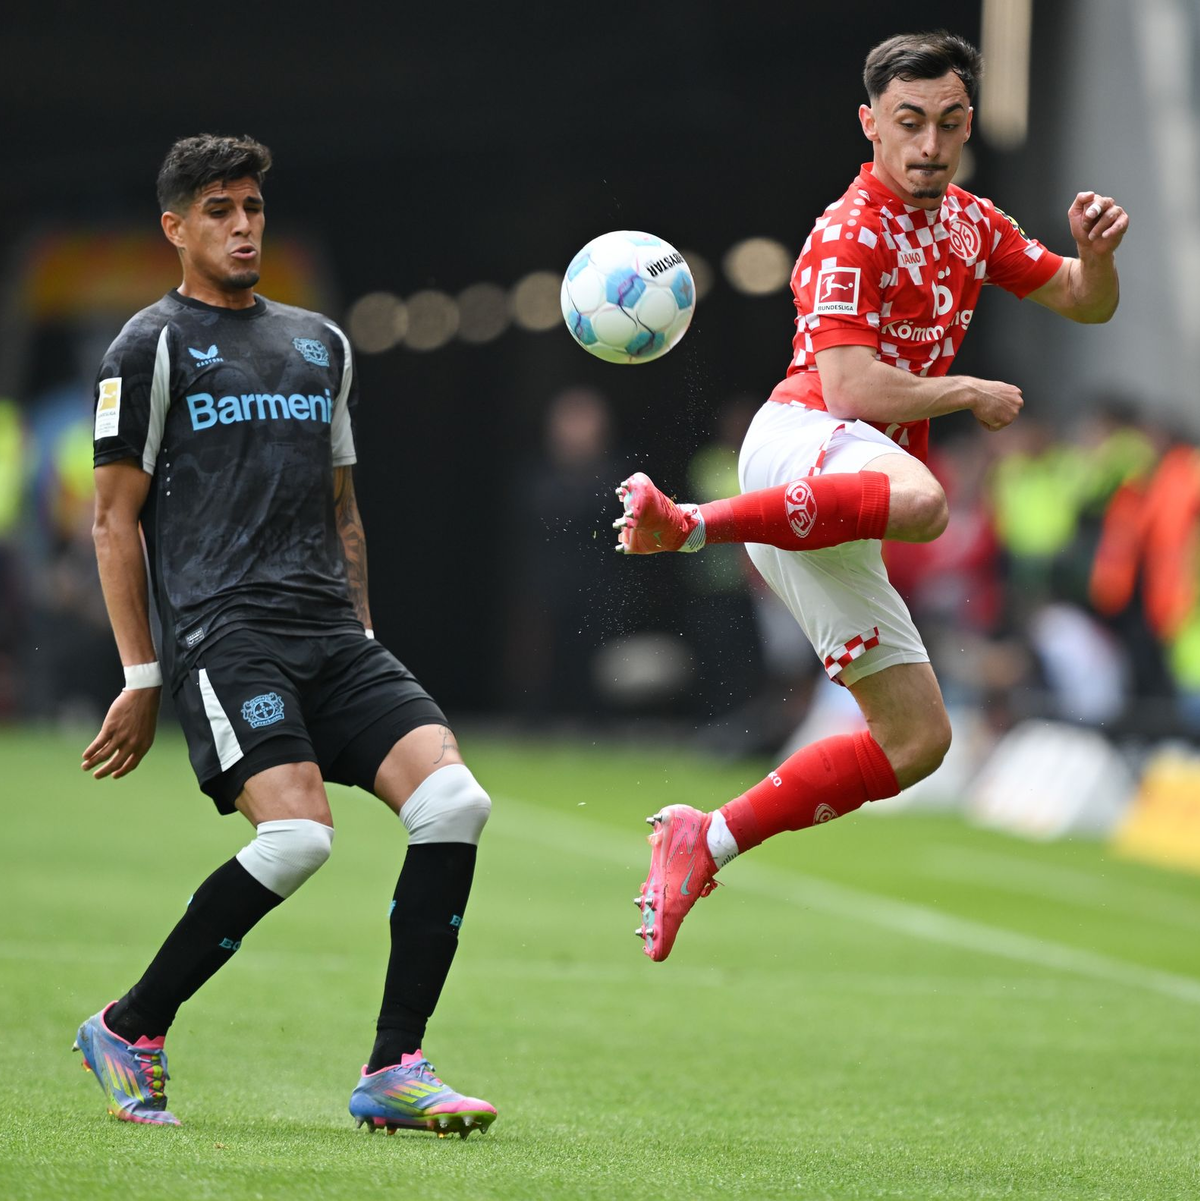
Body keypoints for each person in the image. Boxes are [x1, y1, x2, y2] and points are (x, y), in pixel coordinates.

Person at [614, 31, 1128, 962]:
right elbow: (849, 388)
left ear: (968, 122)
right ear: (871, 125)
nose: (931, 144)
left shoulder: (974, 222)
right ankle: (687, 524)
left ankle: (707, 838)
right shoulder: (849, 229)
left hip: (850, 494)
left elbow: (1083, 302)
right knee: (930, 502)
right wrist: (965, 393)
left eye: (949, 122)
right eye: (909, 124)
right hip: (799, 447)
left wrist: (1096, 256)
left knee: (918, 739)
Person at [73, 134, 497, 1136]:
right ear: (175, 228)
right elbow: (111, 518)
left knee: (455, 802)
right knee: (300, 835)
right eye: (218, 210)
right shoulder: (150, 346)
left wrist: (363, 632)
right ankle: (131, 1026)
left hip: (332, 633)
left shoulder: (321, 343)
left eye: (253, 207)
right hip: (227, 633)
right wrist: (144, 672)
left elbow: (343, 505)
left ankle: (395, 1066)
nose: (242, 226)